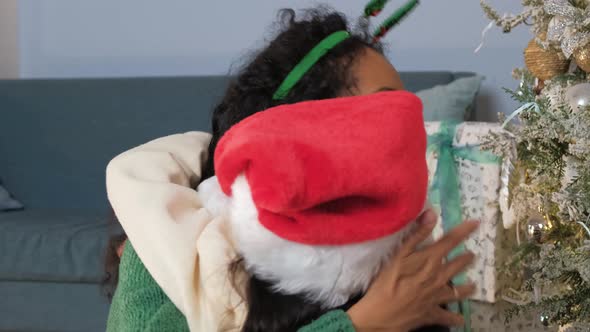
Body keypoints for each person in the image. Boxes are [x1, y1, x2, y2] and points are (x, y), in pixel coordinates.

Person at [105, 8, 477, 332]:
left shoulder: (392, 252)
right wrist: (360, 325)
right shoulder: (165, 237)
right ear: (303, 121)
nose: (406, 131)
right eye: (383, 108)